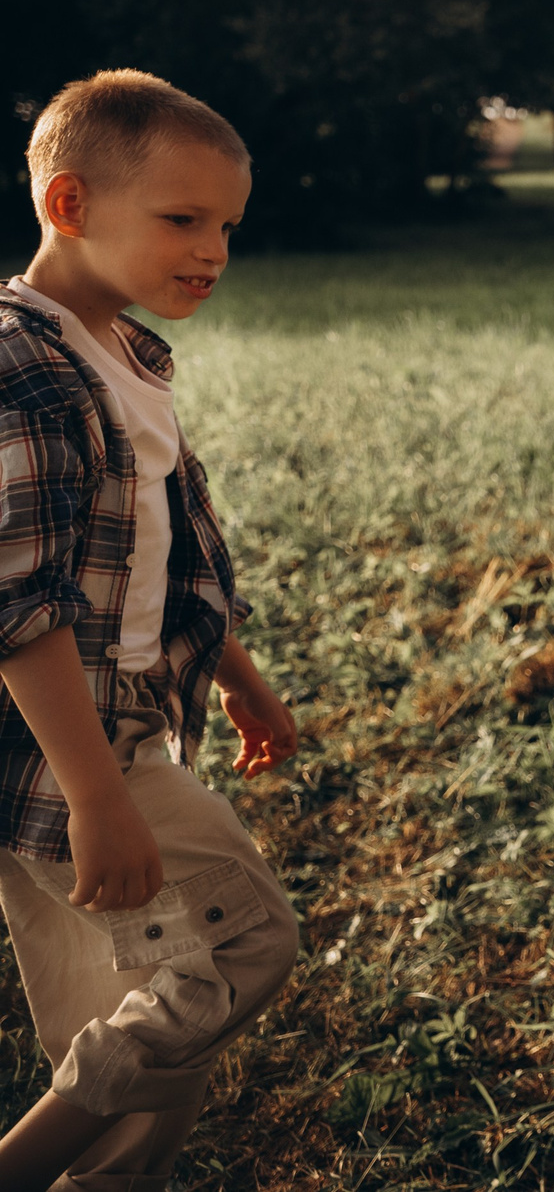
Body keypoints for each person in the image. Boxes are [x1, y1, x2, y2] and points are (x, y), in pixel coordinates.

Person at [0, 71, 301, 1190]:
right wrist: (97, 795)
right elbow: (16, 607)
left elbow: (164, 552)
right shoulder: (24, 368)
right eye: (184, 219)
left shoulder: (130, 354)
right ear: (69, 205)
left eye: (226, 224)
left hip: (121, 712)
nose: (213, 249)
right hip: (64, 739)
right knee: (245, 942)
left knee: (135, 1000)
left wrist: (240, 677)